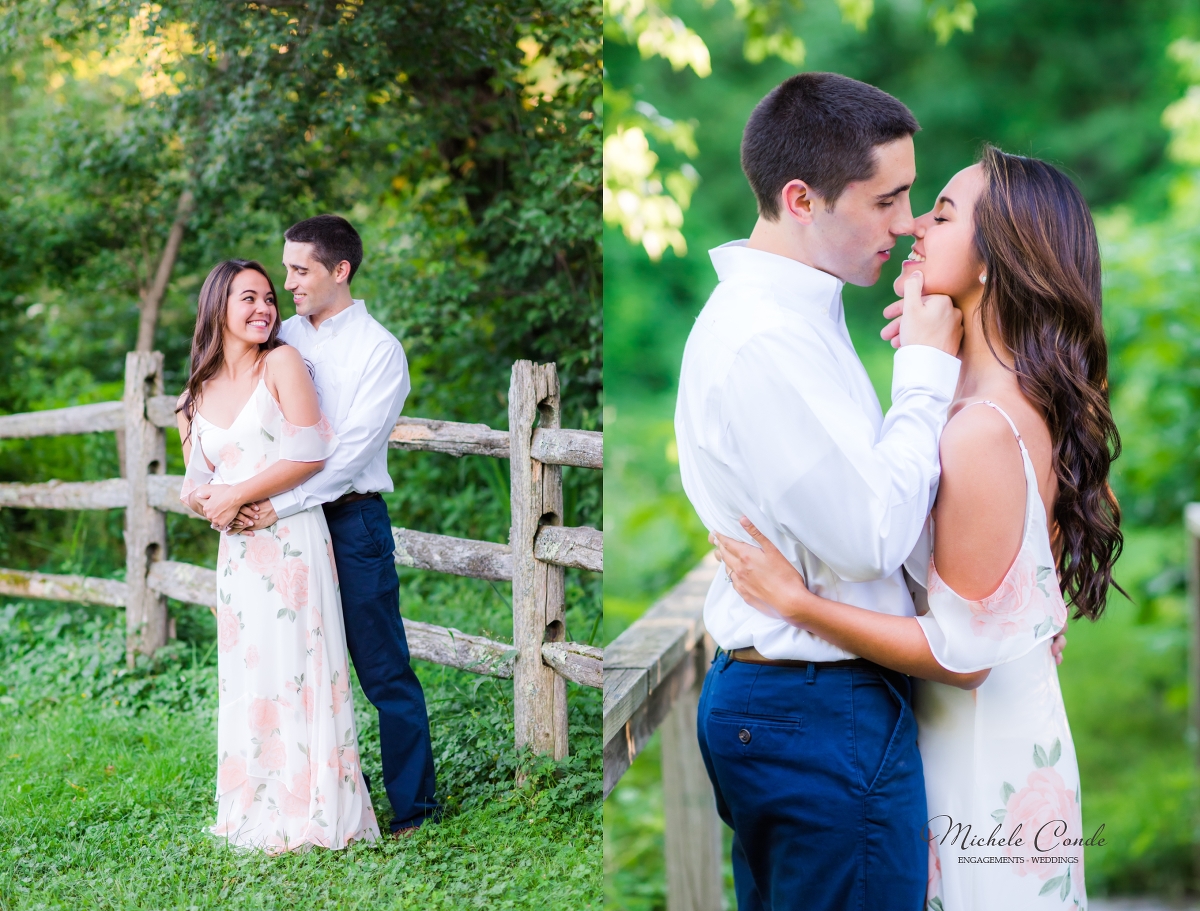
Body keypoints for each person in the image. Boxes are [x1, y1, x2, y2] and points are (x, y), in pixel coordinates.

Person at [712, 146, 1121, 910]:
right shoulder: (996, 391)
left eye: (942, 213)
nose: (914, 230)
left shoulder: (981, 428)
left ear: (998, 260)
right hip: (988, 725)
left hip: (979, 753)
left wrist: (798, 602)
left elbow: (962, 655)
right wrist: (935, 352)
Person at [674, 72, 965, 911]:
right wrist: (925, 372)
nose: (907, 222)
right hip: (816, 710)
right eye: (887, 199)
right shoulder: (763, 340)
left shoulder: (803, 317)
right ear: (801, 198)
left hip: (804, 708)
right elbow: (869, 534)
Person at [230, 215, 441, 835]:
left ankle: (415, 810)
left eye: (300, 270)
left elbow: (347, 455)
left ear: (339, 271)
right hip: (283, 534)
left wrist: (278, 505)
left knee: (381, 669)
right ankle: (307, 794)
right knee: (297, 665)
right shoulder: (280, 336)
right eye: (286, 269)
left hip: (349, 523)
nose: (286, 283)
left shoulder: (379, 350)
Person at [177, 258, 379, 851]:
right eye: (250, 298)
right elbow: (194, 481)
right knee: (252, 672)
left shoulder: (283, 363)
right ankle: (259, 800)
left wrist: (238, 494)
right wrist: (209, 505)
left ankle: (318, 806)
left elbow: (314, 451)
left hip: (291, 539)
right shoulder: (194, 395)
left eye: (269, 297)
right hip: (238, 552)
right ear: (218, 307)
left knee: (301, 666)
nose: (266, 308)